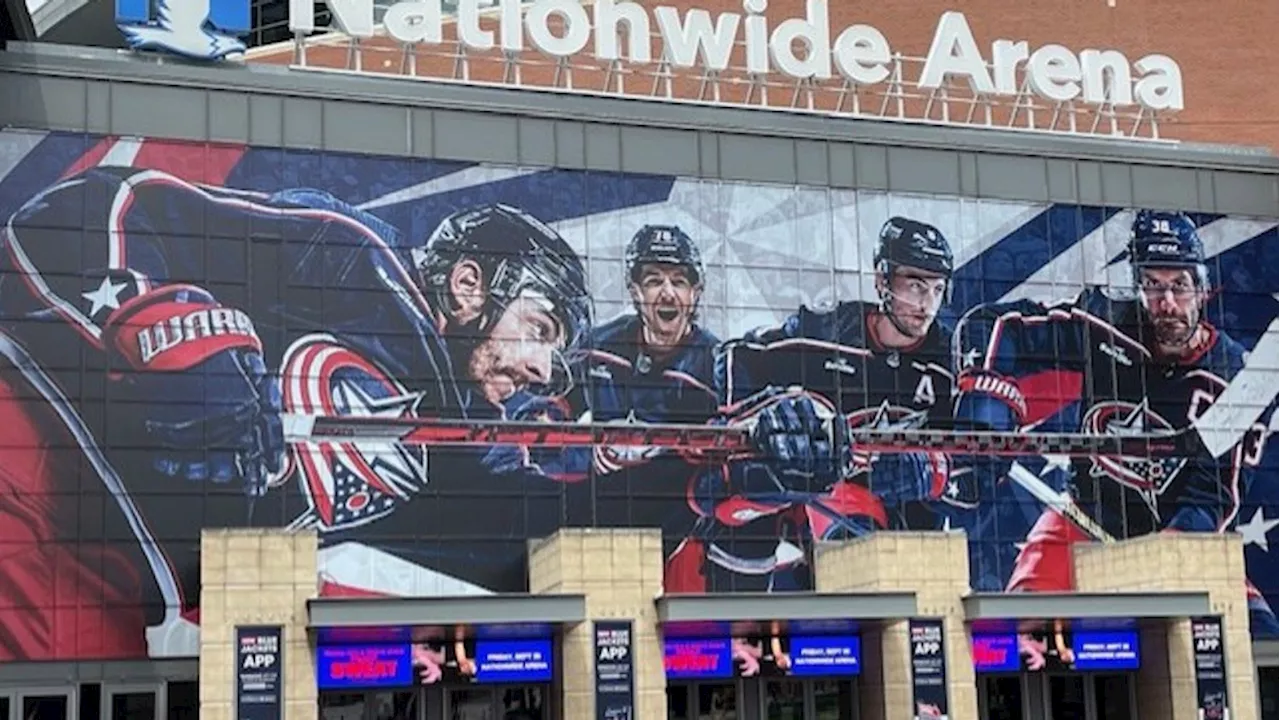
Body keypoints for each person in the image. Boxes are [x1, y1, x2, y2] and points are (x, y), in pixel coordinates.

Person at [0, 166, 592, 660]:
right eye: (538, 330)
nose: (542, 368)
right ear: (469, 284)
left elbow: (545, 517)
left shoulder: (456, 444)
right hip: (39, 456)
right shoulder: (355, 258)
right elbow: (105, 203)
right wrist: (153, 318)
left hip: (118, 584)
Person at [950, 210, 1276, 619]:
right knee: (1022, 631)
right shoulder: (1103, 323)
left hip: (1177, 543)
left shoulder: (1238, 379)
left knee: (1258, 633)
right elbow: (993, 325)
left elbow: (1211, 503)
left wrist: (1152, 564)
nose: (1167, 303)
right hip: (1082, 521)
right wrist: (987, 406)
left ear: (1202, 287)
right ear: (1136, 286)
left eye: (1179, 286)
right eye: (1153, 286)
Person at [682, 216, 972, 591]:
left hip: (899, 514)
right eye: (915, 286)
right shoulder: (825, 330)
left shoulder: (951, 358)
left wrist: (937, 470)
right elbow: (738, 356)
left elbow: (980, 459)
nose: (926, 304)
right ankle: (734, 624)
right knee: (751, 491)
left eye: (936, 289)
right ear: (882, 281)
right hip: (815, 490)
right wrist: (758, 418)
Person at [507, 224, 722, 591]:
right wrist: (588, 455)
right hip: (600, 527)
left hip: (679, 529)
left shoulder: (716, 364)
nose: (667, 292)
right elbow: (535, 417)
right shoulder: (597, 347)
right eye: (654, 280)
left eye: (679, 281)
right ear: (635, 291)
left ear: (695, 292)